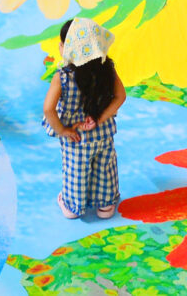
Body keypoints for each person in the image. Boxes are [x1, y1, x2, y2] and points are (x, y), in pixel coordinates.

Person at [42, 16, 126, 220]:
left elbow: (48, 109)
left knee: (76, 171)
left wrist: (63, 130)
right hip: (103, 133)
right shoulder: (107, 70)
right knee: (105, 168)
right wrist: (100, 119)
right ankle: (105, 205)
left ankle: (72, 206)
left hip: (76, 137)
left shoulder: (62, 77)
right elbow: (120, 96)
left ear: (66, 48)